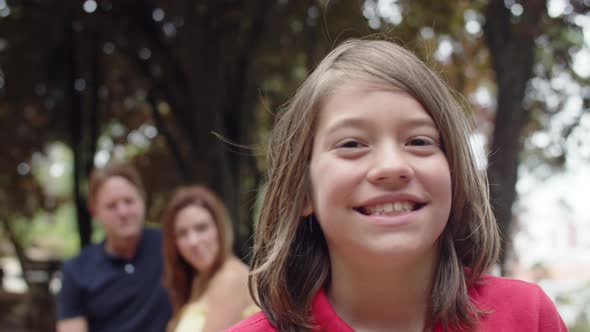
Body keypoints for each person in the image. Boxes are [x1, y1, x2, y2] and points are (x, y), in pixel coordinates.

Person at [227, 39, 567, 331]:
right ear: (303, 192)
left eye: (419, 141)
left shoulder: (527, 317)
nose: (392, 167)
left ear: (454, 175)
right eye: (351, 144)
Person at [56, 163, 172, 332]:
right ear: (95, 212)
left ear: (143, 199)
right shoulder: (76, 270)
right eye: (111, 206)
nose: (123, 212)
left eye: (129, 201)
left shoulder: (172, 246)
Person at [161, 186, 257, 332]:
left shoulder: (231, 278)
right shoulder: (198, 280)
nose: (193, 241)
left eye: (201, 228)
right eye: (182, 233)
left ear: (220, 228)